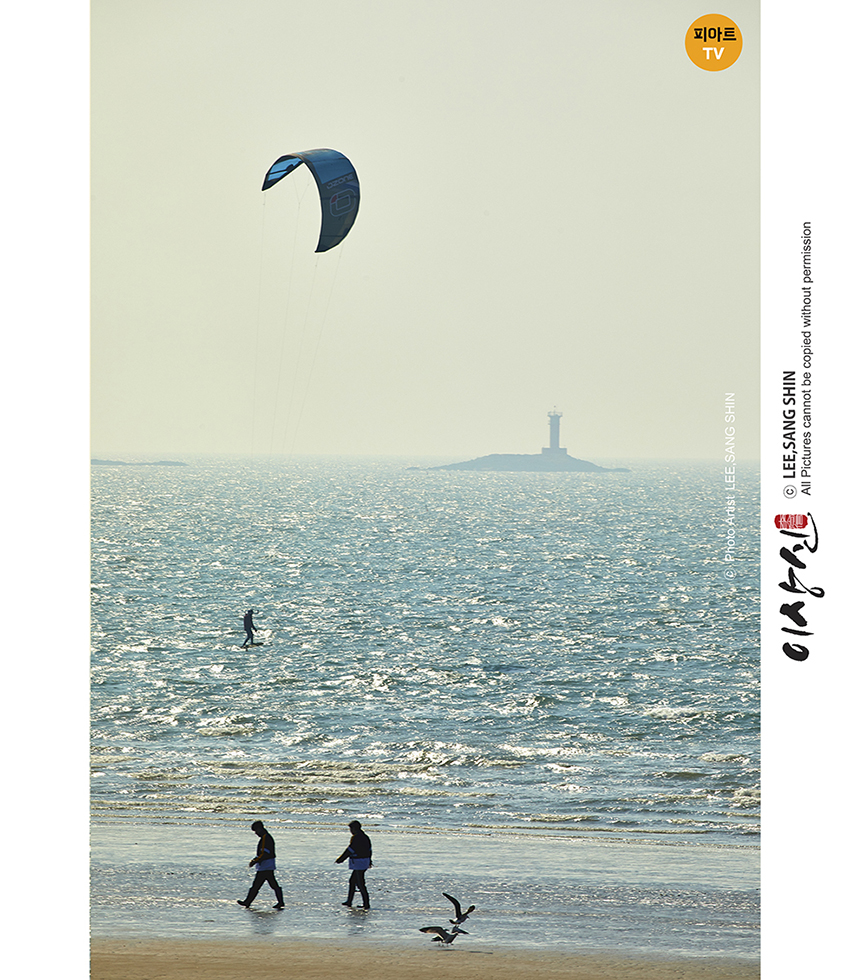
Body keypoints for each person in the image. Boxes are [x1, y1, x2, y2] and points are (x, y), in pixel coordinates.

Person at [237, 820, 285, 909]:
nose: (256, 833)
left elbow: (264, 854)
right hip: (268, 865)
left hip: (265, 866)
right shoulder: (267, 837)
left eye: (256, 831)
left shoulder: (265, 838)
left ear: (260, 829)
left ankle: (247, 902)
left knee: (257, 885)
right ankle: (280, 902)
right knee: (272, 884)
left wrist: (254, 861)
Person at [335, 819, 372, 909]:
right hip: (364, 862)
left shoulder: (357, 837)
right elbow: (369, 850)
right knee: (352, 881)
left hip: (360, 863)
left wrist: (341, 859)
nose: (350, 831)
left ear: (354, 828)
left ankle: (366, 904)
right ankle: (349, 901)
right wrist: (369, 861)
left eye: (351, 829)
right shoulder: (365, 837)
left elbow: (350, 850)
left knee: (360, 883)